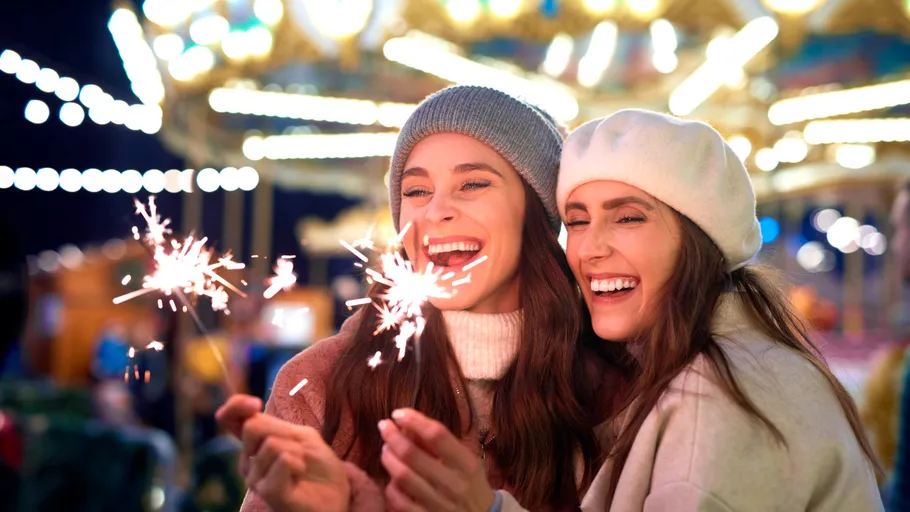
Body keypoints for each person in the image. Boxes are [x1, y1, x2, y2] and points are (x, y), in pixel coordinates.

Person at [216, 86, 624, 511]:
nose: (435, 211)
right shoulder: (320, 385)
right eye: (416, 191)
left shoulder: (612, 397)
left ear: (536, 212)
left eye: (472, 183)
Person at [546, 109, 879, 510]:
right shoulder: (740, 360)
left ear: (699, 238)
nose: (590, 249)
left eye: (628, 218)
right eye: (577, 222)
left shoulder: (717, 399)